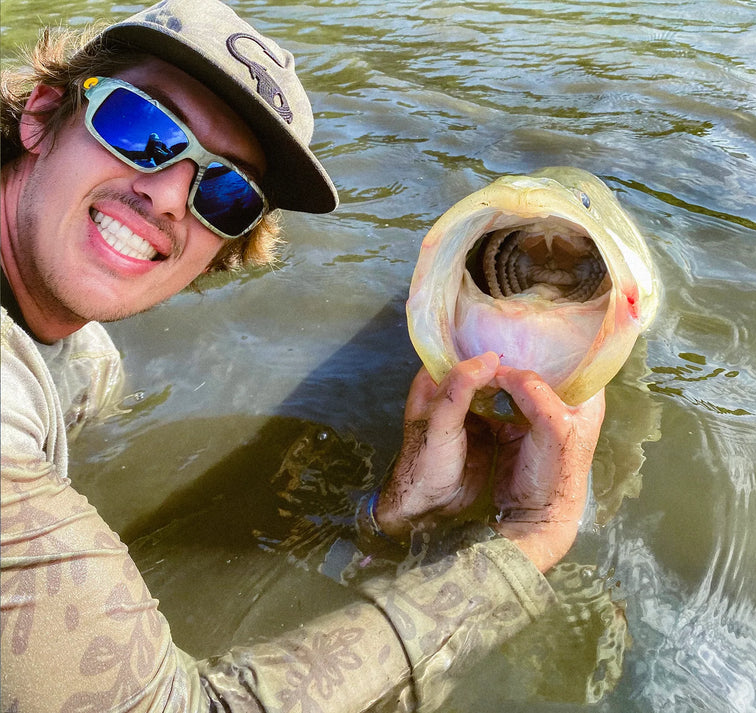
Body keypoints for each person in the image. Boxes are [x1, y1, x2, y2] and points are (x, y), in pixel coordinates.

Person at [0, 1, 606, 711]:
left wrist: (386, 523)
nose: (168, 194)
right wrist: (529, 542)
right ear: (42, 112)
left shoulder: (83, 362)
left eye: (223, 191)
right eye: (141, 127)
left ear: (224, 252)